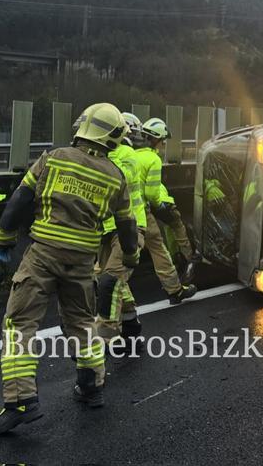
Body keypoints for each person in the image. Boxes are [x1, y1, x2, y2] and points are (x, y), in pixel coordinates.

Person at [0, 103, 140, 436]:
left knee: (20, 324)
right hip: (83, 260)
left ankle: (20, 403)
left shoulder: (53, 158)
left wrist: (4, 237)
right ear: (114, 138)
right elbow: (127, 225)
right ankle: (91, 388)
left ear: (83, 127)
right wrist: (130, 257)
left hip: (43, 255)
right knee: (83, 323)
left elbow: (20, 199)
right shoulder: (116, 177)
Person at [95, 114, 148, 351]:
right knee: (110, 279)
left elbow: (118, 180)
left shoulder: (127, 156)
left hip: (130, 229)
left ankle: (103, 339)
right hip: (107, 229)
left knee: (110, 282)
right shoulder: (103, 156)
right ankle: (131, 327)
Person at [131, 117, 197, 305]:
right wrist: (159, 206)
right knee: (159, 249)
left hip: (125, 211)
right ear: (157, 139)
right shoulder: (153, 159)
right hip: (143, 211)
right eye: (162, 141)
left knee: (117, 252)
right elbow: (152, 192)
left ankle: (96, 284)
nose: (163, 144)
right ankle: (176, 286)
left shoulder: (132, 156)